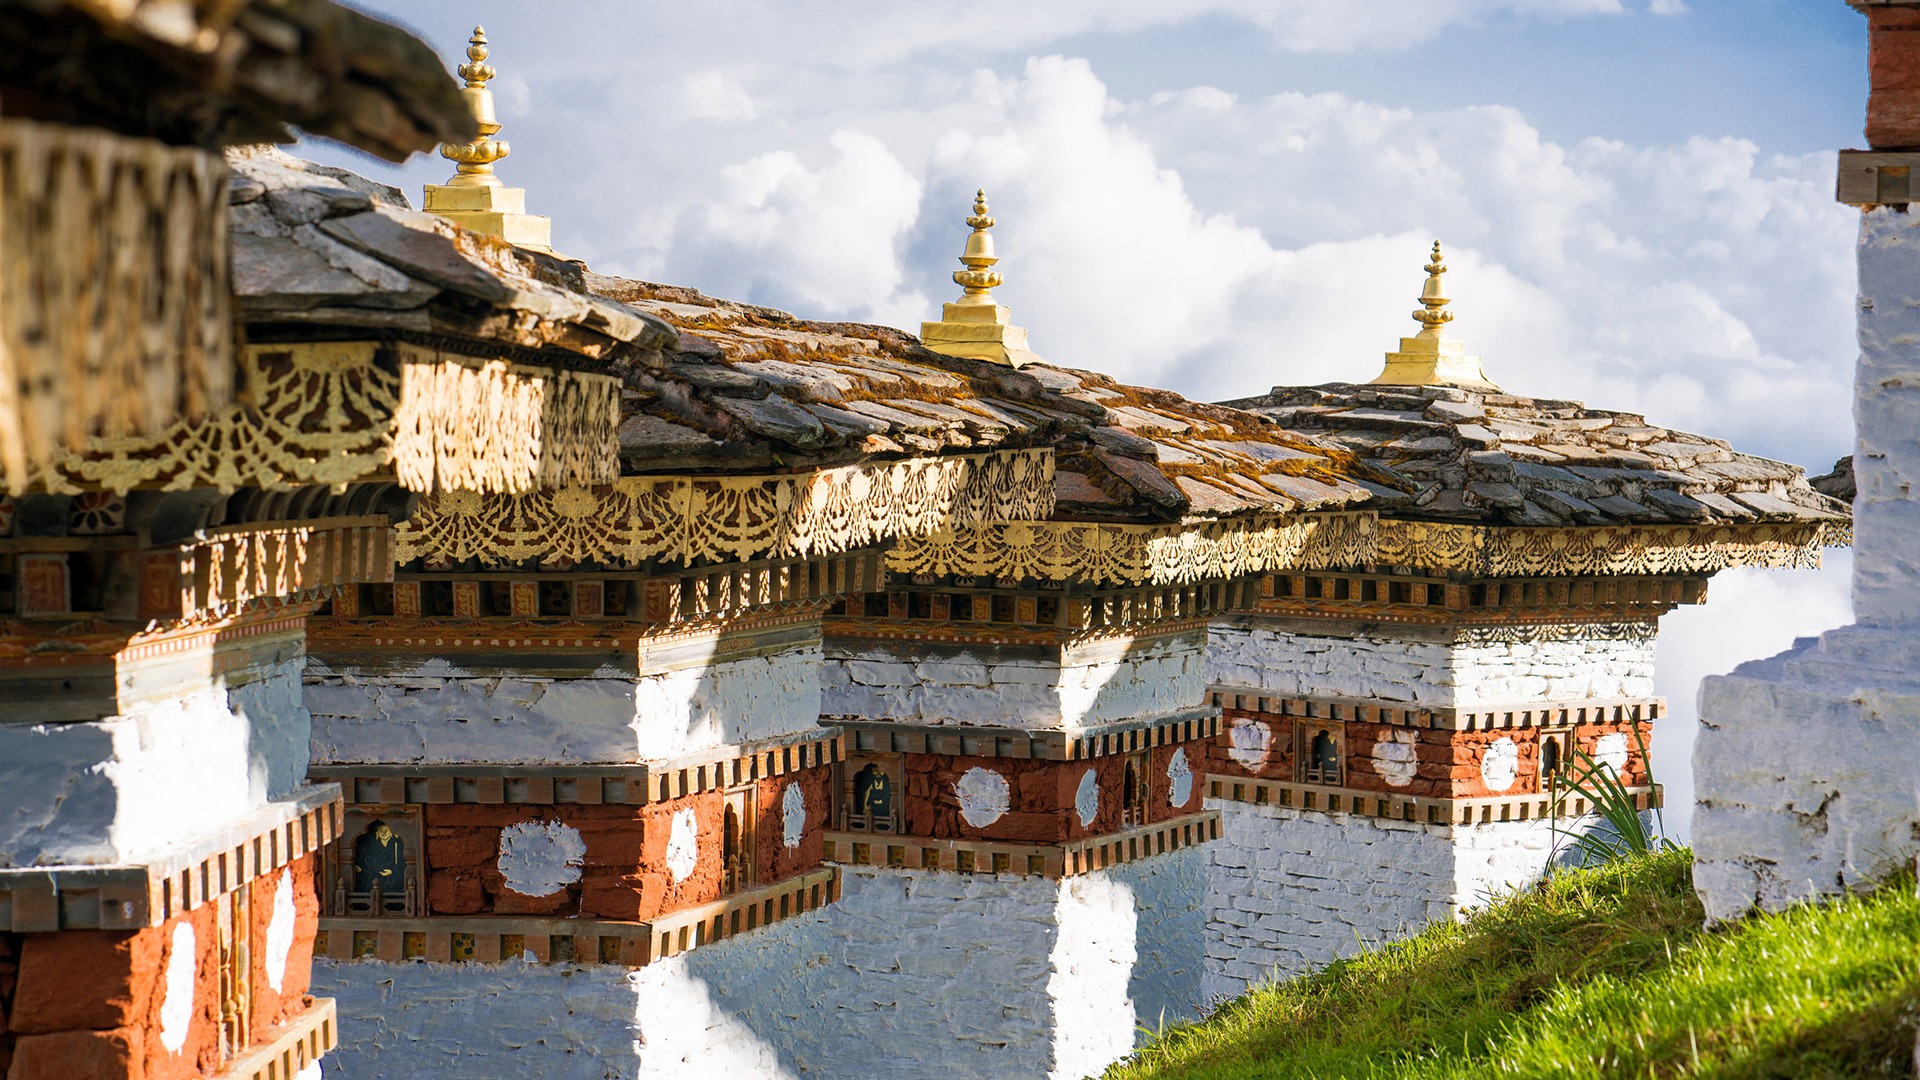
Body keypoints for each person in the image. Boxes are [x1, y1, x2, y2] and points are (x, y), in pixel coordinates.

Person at [353, 820, 405, 894]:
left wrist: (392, 871)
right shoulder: (373, 846)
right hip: (375, 875)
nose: (384, 833)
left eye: (386, 830)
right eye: (381, 830)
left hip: (391, 877)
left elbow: (401, 862)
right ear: (377, 833)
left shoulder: (396, 844)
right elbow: (367, 861)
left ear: (391, 832)